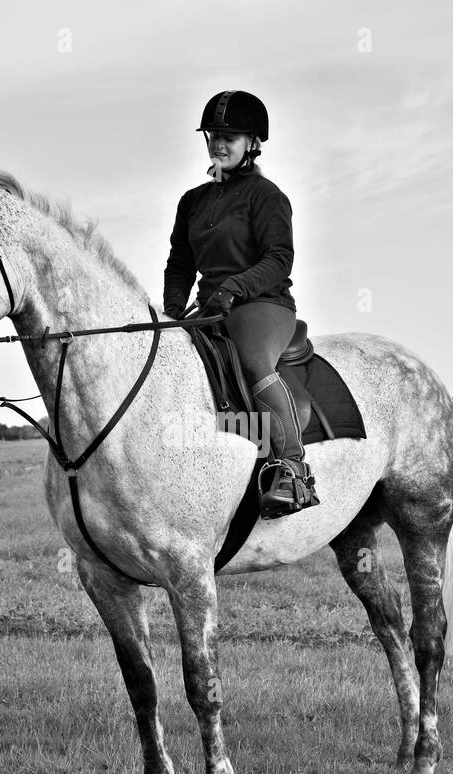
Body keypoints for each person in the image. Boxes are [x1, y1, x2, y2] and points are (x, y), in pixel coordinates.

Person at [163, 90, 320, 518]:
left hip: (262, 303)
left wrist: (236, 286)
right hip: (210, 307)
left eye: (229, 136)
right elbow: (179, 261)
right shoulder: (191, 201)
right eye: (213, 134)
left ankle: (291, 468)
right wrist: (173, 308)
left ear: (252, 142)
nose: (218, 143)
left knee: (252, 363)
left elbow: (279, 259)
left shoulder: (266, 196)